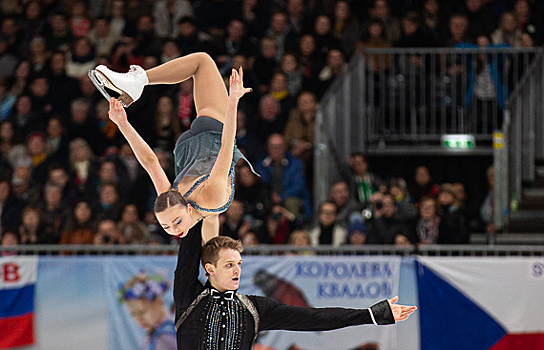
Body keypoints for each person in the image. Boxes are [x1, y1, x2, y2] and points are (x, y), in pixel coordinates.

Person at [173, 221, 416, 350]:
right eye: (229, 265)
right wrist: (195, 203)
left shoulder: (254, 309)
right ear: (209, 269)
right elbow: (188, 245)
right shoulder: (189, 297)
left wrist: (372, 314)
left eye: (239, 263)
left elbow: (315, 318)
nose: (237, 270)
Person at [90, 53, 254, 238]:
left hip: (213, 133)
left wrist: (122, 124)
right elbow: (211, 220)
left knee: (203, 62)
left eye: (167, 226)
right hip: (196, 146)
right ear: (188, 209)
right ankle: (140, 80)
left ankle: (139, 80)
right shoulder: (177, 198)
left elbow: (150, 161)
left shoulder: (190, 198)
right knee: (200, 64)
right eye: (171, 224)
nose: (174, 230)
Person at [118, 271, 177, 350]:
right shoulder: (157, 333)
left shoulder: (163, 338)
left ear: (158, 302)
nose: (139, 319)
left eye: (142, 312)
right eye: (133, 314)